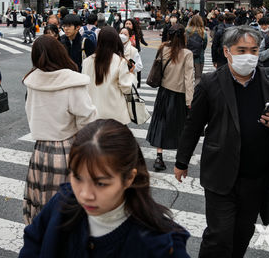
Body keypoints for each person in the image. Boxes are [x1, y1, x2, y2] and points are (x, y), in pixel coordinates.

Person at [174, 26, 269, 258]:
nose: (248, 56)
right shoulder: (210, 83)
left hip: (257, 175)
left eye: (253, 50)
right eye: (241, 50)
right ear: (227, 51)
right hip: (220, 173)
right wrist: (182, 161)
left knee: (243, 231)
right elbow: (193, 125)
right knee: (219, 235)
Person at [20, 119, 191, 257]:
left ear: (129, 178)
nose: (85, 194)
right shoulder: (62, 202)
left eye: (101, 183)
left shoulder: (161, 245)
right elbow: (33, 241)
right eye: (78, 177)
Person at [22, 35, 97, 224]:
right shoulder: (72, 82)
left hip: (40, 150)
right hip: (68, 148)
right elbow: (88, 120)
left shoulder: (32, 80)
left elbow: (30, 112)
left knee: (42, 204)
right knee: (66, 206)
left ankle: (42, 242)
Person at [146, 24, 194, 171]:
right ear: (183, 36)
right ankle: (180, 157)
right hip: (179, 94)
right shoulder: (187, 54)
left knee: (161, 123)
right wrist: (190, 100)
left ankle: (159, 157)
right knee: (180, 126)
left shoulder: (163, 49)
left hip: (164, 92)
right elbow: (189, 79)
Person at [81, 27, 135, 125]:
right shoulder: (120, 62)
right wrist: (131, 74)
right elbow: (127, 88)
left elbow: (84, 87)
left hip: (93, 114)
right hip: (115, 115)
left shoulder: (87, 62)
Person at [185, 14, 208, 83]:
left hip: (188, 55)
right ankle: (196, 92)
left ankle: (188, 92)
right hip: (199, 56)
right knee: (198, 77)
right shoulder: (203, 32)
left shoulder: (187, 31)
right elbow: (204, 45)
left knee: (188, 76)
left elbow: (185, 43)